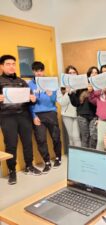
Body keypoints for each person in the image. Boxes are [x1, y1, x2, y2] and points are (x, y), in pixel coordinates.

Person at [0, 55, 41, 185]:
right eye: (8, 64)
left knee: (27, 142)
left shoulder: (21, 81)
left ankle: (29, 165)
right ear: (1, 66)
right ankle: (12, 171)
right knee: (11, 145)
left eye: (13, 63)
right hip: (7, 117)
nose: (11, 66)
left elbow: (29, 100)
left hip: (23, 116)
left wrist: (33, 99)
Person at [28, 61, 62, 173]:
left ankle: (58, 158)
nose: (39, 73)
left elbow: (54, 101)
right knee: (41, 140)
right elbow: (28, 103)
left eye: (41, 71)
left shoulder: (51, 82)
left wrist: (50, 94)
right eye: (36, 71)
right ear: (33, 71)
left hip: (51, 113)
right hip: (38, 115)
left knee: (56, 137)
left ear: (43, 71)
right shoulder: (30, 84)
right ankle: (47, 162)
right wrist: (33, 116)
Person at [68, 66, 97, 148]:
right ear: (88, 74)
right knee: (85, 137)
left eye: (96, 72)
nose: (94, 74)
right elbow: (76, 103)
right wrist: (71, 93)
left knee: (94, 137)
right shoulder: (82, 85)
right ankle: (85, 158)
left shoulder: (99, 86)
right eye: (92, 72)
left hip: (94, 115)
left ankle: (93, 156)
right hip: (82, 115)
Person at [57, 65, 81, 147]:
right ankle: (73, 157)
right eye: (70, 73)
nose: (72, 74)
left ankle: (80, 157)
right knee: (71, 137)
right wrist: (68, 92)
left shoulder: (80, 85)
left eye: (74, 72)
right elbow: (62, 103)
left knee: (76, 137)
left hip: (78, 114)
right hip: (67, 115)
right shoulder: (61, 87)